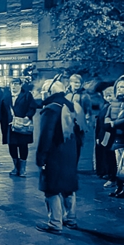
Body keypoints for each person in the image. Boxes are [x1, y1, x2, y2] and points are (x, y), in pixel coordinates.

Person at [36, 80, 79, 234]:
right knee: (68, 186)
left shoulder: (51, 109)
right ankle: (71, 218)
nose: (41, 93)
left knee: (51, 188)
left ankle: (55, 223)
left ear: (49, 91)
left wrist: (41, 157)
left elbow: (45, 136)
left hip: (54, 154)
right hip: (70, 153)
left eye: (43, 90)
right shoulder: (70, 105)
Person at [0, 76, 37, 177]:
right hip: (9, 126)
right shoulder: (5, 96)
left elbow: (32, 108)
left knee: (23, 145)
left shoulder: (27, 95)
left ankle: (22, 169)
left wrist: (27, 117)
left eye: (16, 84)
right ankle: (16, 167)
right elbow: (2, 111)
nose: (14, 86)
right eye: (12, 84)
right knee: (12, 146)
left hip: (23, 125)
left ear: (20, 85)